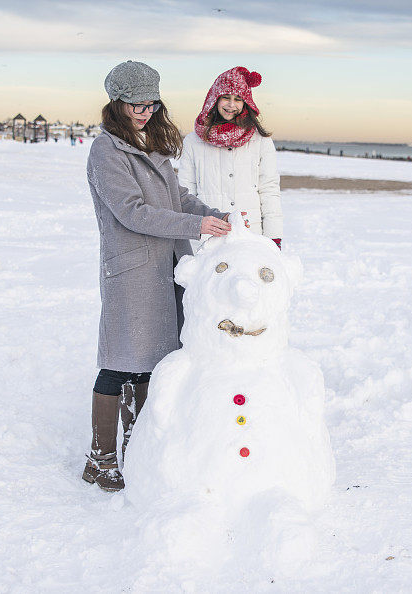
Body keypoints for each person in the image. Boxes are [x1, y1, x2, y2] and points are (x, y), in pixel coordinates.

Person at [83, 60, 233, 492]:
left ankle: (137, 450)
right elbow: (131, 211)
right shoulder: (106, 150)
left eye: (151, 103)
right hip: (131, 268)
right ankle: (100, 459)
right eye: (135, 104)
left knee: (153, 364)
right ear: (117, 102)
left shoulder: (150, 142)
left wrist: (212, 216)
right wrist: (194, 227)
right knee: (119, 364)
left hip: (167, 265)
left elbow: (176, 197)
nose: (144, 111)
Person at [178, 66, 282, 252]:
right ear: (214, 99)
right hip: (207, 237)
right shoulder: (193, 142)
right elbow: (186, 193)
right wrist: (189, 234)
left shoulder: (261, 141)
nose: (231, 105)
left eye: (238, 99)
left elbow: (269, 189)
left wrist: (274, 237)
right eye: (226, 97)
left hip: (251, 235)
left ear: (246, 103)